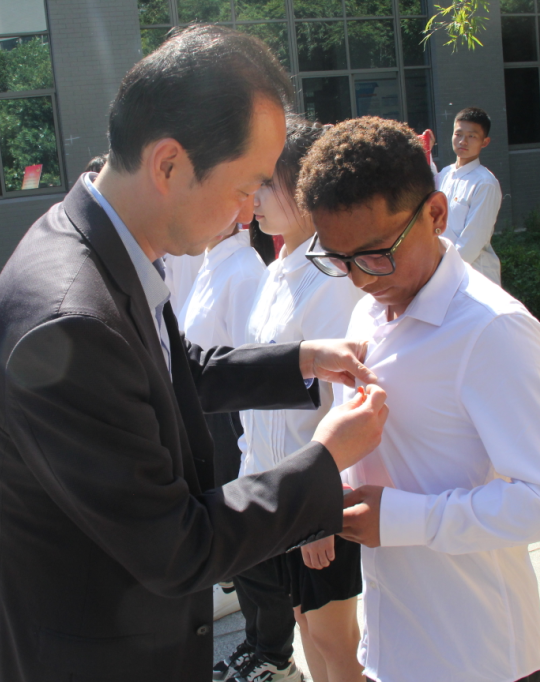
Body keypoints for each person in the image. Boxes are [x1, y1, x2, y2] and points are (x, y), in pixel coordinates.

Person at [0, 27, 389, 682]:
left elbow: (174, 370)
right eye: (245, 186)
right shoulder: (70, 321)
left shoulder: (104, 248)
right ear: (168, 165)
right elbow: (178, 547)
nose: (247, 212)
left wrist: (299, 360)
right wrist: (325, 461)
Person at [298, 117, 540, 682]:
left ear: (436, 214)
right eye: (337, 260)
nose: (359, 279)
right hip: (393, 641)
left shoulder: (492, 331)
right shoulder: (369, 310)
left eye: (376, 254)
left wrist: (407, 519)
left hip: (475, 655)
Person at [214, 118, 366, 682]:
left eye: (266, 184)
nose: (253, 198)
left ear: (304, 188)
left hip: (314, 493)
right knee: (307, 626)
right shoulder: (279, 268)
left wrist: (322, 507)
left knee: (336, 641)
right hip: (279, 488)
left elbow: (344, 401)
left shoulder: (330, 277)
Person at [176, 222, 267, 621]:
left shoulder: (244, 270)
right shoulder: (212, 261)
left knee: (236, 523)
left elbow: (249, 361)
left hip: (230, 417)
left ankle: (268, 641)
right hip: (207, 413)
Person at [436, 107, 503, 284]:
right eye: (458, 134)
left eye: (471, 136)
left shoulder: (485, 183)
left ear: (485, 142)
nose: (463, 141)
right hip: (443, 272)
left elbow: (473, 241)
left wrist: (440, 275)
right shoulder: (444, 174)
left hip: (474, 277)